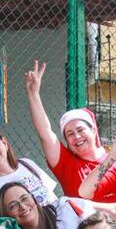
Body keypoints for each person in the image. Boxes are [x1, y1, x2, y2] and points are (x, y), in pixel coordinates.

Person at [24, 59, 107, 197]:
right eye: (70, 134)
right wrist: (33, 94)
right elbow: (45, 132)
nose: (77, 137)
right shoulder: (67, 165)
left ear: (93, 130)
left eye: (80, 130)